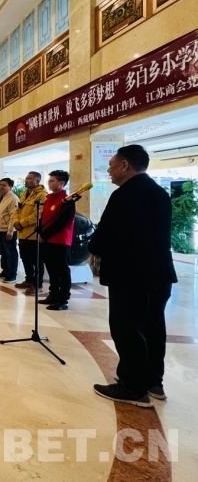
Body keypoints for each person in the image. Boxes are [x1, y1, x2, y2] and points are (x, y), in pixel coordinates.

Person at [88, 145, 177, 407]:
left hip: (130, 274)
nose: (109, 170)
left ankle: (132, 387)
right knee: (153, 327)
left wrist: (94, 246)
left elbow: (105, 237)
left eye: (112, 165)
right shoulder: (159, 192)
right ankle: (153, 381)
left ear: (125, 165)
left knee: (127, 328)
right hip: (159, 273)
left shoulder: (124, 194)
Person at [38, 170, 76, 311]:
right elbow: (44, 218)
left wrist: (45, 235)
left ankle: (63, 299)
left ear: (61, 183)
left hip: (60, 241)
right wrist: (41, 232)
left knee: (61, 271)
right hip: (47, 240)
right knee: (51, 270)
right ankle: (53, 295)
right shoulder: (49, 198)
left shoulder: (67, 200)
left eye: (52, 181)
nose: (49, 183)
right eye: (49, 181)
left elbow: (61, 222)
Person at [12, 172, 47, 295]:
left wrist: (22, 223)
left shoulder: (42, 195)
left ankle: (38, 285)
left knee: (36, 261)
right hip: (22, 233)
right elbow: (17, 210)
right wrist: (15, 221)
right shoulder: (24, 194)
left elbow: (39, 214)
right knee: (25, 258)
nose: (26, 180)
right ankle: (29, 280)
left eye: (29, 179)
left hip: (33, 234)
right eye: (26, 178)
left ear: (37, 181)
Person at [0, 178, 19, 284]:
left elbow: (13, 216)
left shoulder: (13, 198)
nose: (1, 187)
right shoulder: (0, 198)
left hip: (8, 231)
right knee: (3, 252)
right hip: (0, 229)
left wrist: (10, 231)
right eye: (0, 185)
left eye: (4, 185)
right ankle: (5, 271)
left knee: (10, 253)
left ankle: (12, 274)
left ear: (10, 187)